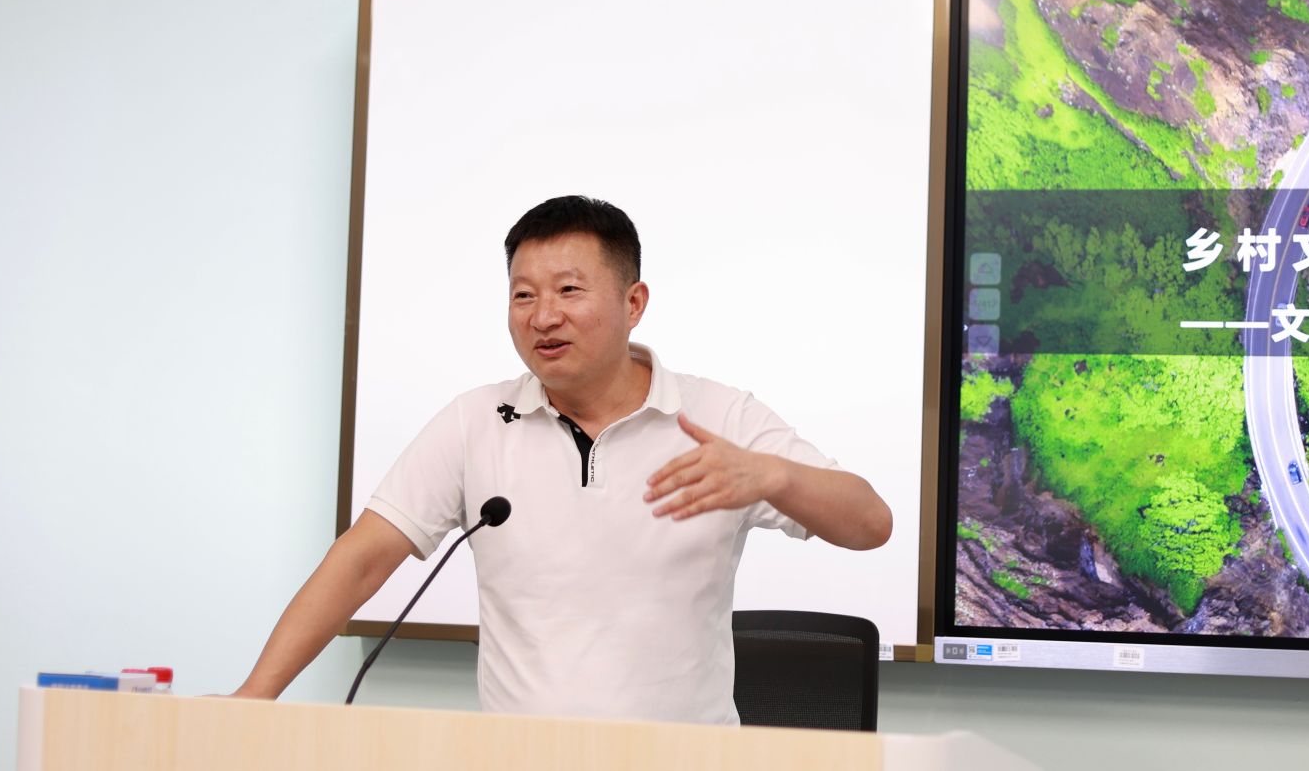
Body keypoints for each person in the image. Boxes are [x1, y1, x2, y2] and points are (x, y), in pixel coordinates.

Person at [232, 195, 892, 723]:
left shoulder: (718, 416)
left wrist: (773, 474)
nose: (543, 316)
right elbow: (361, 558)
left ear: (634, 303)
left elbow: (870, 523)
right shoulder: (475, 421)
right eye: (523, 295)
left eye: (569, 290)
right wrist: (253, 699)